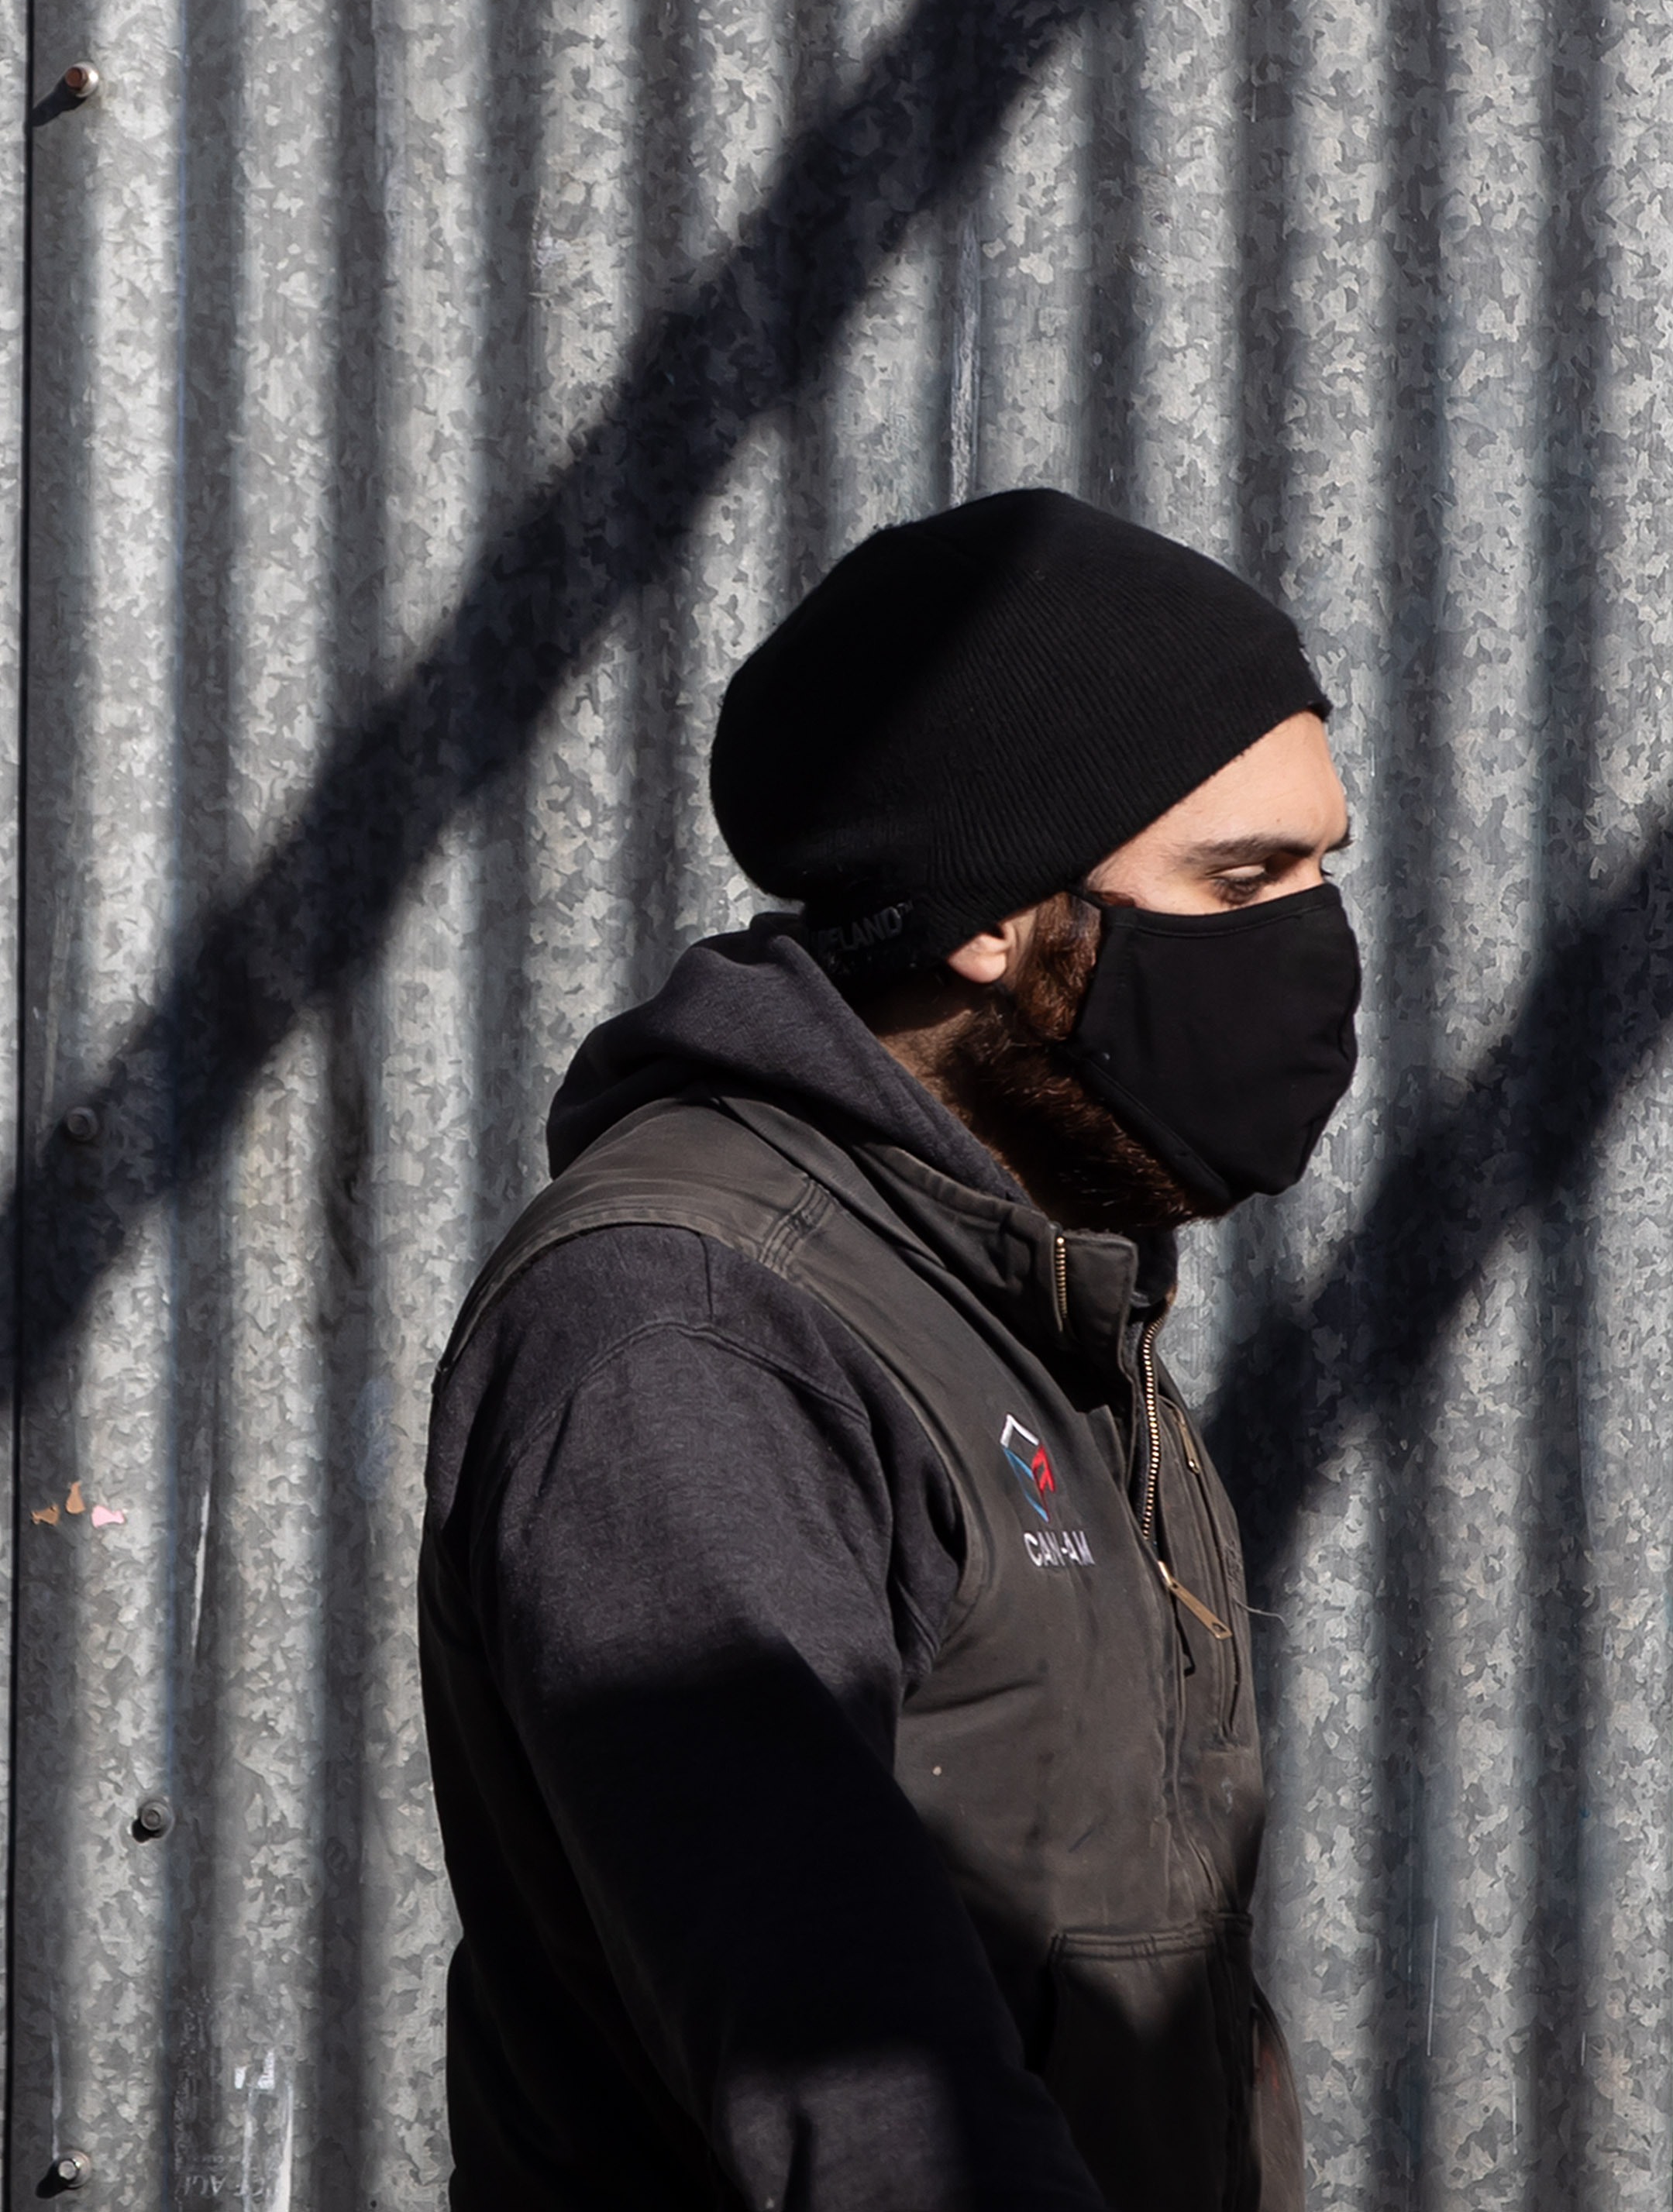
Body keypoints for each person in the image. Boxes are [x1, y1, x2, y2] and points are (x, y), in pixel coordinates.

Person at [417, 488, 1365, 2210]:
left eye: (1319, 864)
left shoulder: (1025, 1301)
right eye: (1242, 875)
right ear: (992, 913)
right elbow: (857, 2083)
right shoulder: (694, 1329)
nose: (1313, 941)